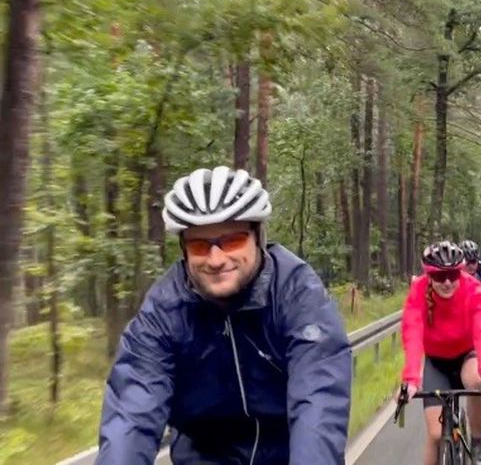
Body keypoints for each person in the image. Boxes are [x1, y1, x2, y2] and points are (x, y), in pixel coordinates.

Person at [97, 166, 353, 464]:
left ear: (257, 237)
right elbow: (131, 415)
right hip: (204, 456)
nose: (216, 259)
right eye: (199, 245)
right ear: (183, 249)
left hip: (288, 450)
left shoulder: (296, 294)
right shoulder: (163, 312)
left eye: (232, 241)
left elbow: (318, 399)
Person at [400, 241, 481, 465]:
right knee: (436, 436)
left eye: (453, 275)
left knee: (477, 382)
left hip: (467, 354)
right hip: (436, 361)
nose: (447, 282)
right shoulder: (418, 290)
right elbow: (413, 334)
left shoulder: (474, 289)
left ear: (461, 271)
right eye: (438, 277)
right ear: (428, 275)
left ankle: (476, 442)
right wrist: (411, 380)